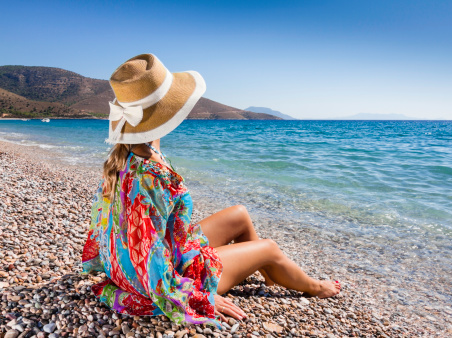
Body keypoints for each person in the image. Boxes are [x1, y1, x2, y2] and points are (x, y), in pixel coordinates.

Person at [81, 53, 340, 326]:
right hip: (165, 276)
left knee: (239, 214)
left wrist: (148, 123)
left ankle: (268, 272)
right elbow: (148, 249)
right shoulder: (153, 176)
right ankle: (311, 285)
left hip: (141, 262)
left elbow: (116, 230)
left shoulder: (127, 157)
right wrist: (192, 295)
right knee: (270, 248)